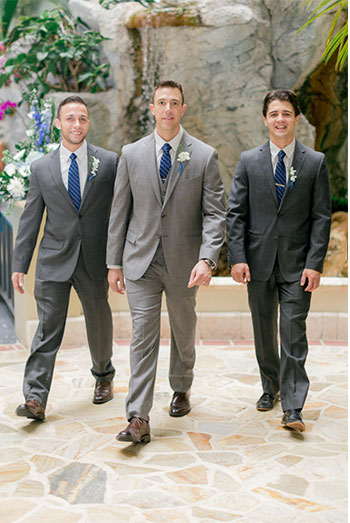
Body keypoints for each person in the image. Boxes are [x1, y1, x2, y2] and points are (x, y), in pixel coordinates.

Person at [106, 80, 226, 444]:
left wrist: (207, 258)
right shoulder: (131, 153)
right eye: (162, 102)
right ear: (153, 108)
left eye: (175, 103)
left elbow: (215, 214)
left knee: (182, 328)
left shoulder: (204, 156)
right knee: (142, 335)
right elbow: (119, 212)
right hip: (140, 261)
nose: (168, 109)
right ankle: (138, 417)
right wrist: (114, 263)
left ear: (183, 109)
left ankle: (181, 387)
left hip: (184, 263)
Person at [227, 89, 331, 432]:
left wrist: (315, 263)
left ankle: (293, 406)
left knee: (293, 331)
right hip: (257, 263)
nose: (280, 119)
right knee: (263, 330)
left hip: (297, 265)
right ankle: (269, 386)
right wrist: (237, 258)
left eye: (287, 113)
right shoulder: (248, 161)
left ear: (297, 118)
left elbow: (321, 217)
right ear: (265, 119)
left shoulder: (314, 162)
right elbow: (236, 215)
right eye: (274, 114)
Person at [11, 96, 118, 421]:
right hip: (53, 261)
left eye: (82, 118)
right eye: (70, 118)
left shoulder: (109, 162)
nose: (76, 124)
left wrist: (117, 261)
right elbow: (31, 218)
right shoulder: (41, 168)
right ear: (58, 123)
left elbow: (118, 215)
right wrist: (20, 264)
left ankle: (103, 377)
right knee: (47, 329)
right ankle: (35, 398)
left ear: (88, 123)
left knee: (98, 323)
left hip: (94, 259)